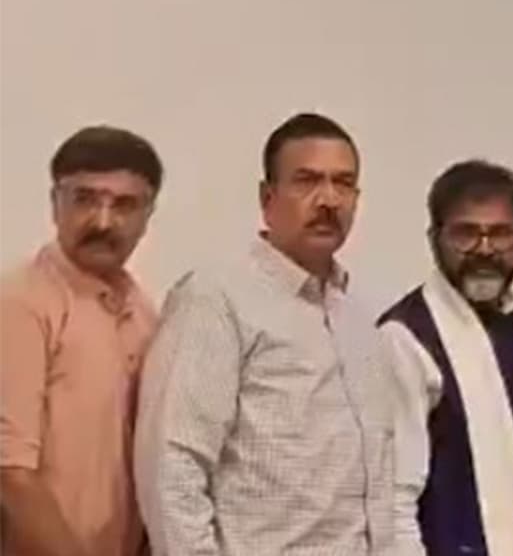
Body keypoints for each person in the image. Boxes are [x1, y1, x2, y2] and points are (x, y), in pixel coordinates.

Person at [134, 113, 393, 555]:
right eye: (307, 181)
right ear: (267, 198)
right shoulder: (217, 298)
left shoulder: (358, 321)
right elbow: (172, 468)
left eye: (343, 183)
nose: (328, 200)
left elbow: (381, 484)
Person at [379, 160, 513, 556]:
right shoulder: (405, 340)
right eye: (466, 233)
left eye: (500, 234)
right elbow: (394, 504)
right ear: (434, 238)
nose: (484, 249)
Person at [1, 126, 164, 556]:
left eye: (124, 205)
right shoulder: (22, 303)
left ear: (148, 215)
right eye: (85, 199)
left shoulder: (144, 314)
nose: (102, 221)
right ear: (55, 203)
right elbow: (11, 473)